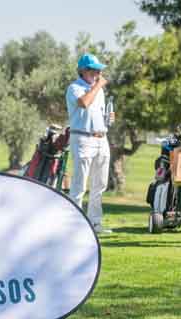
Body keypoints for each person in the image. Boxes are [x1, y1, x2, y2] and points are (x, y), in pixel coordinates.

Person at [65, 53, 115, 234]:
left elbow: (96, 112)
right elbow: (84, 103)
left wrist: (109, 118)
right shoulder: (74, 88)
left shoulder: (99, 90)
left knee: (99, 184)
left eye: (99, 70)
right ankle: (74, 225)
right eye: (94, 70)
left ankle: (95, 222)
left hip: (101, 139)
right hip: (83, 139)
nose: (98, 73)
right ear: (83, 71)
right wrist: (99, 85)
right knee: (80, 185)